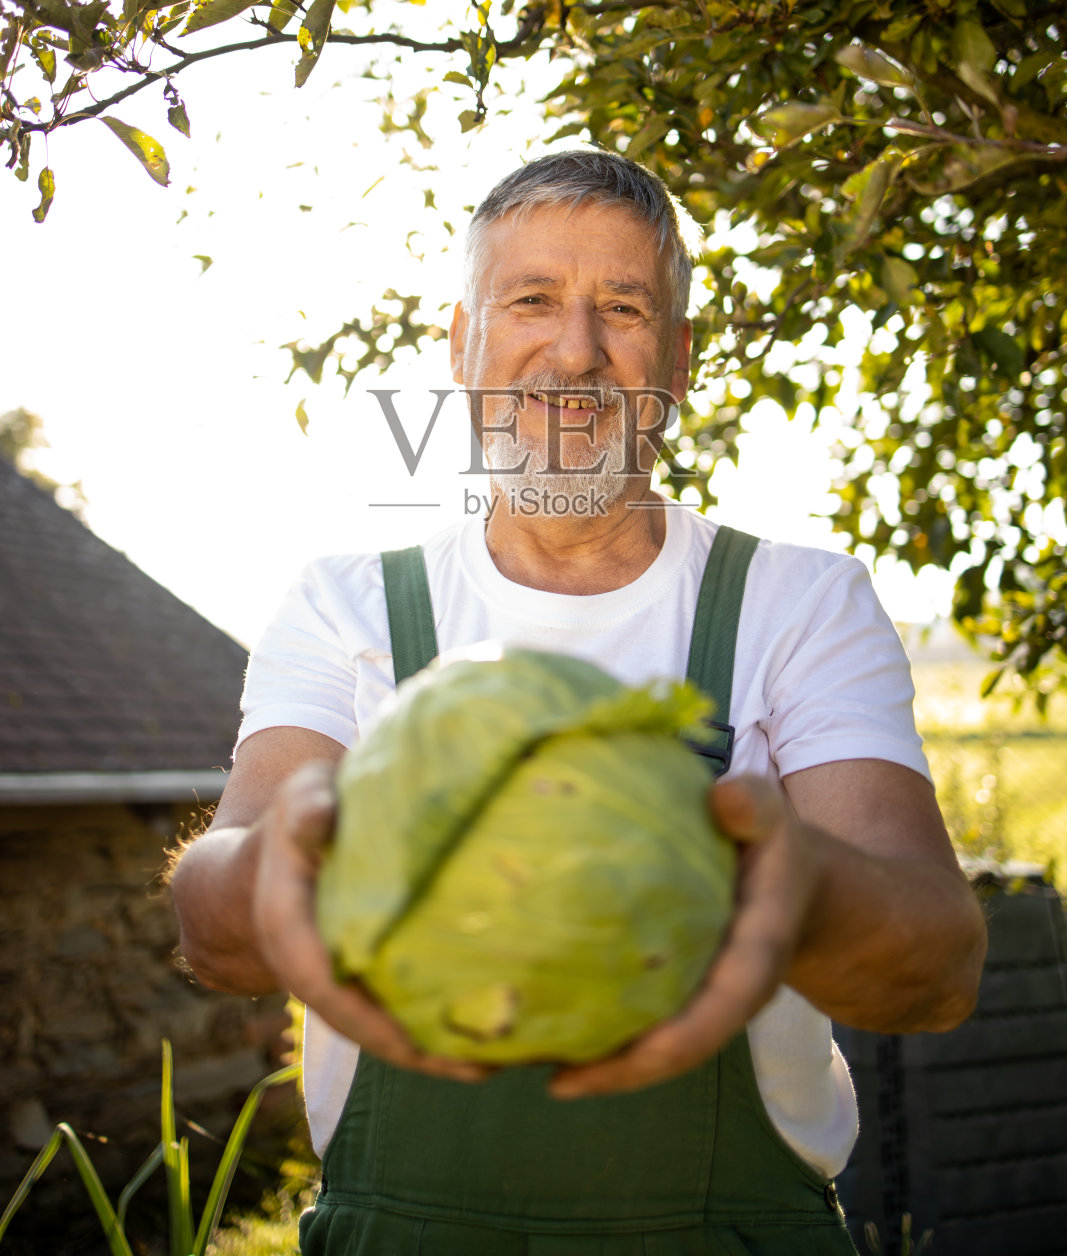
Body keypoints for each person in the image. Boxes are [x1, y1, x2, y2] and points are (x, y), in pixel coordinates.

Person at [170, 149, 986, 1255]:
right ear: (461, 346)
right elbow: (217, 933)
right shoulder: (347, 604)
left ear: (678, 360)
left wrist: (755, 873)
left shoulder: (796, 603)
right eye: (532, 300)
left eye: (622, 308)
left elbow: (935, 967)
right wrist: (285, 861)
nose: (574, 352)